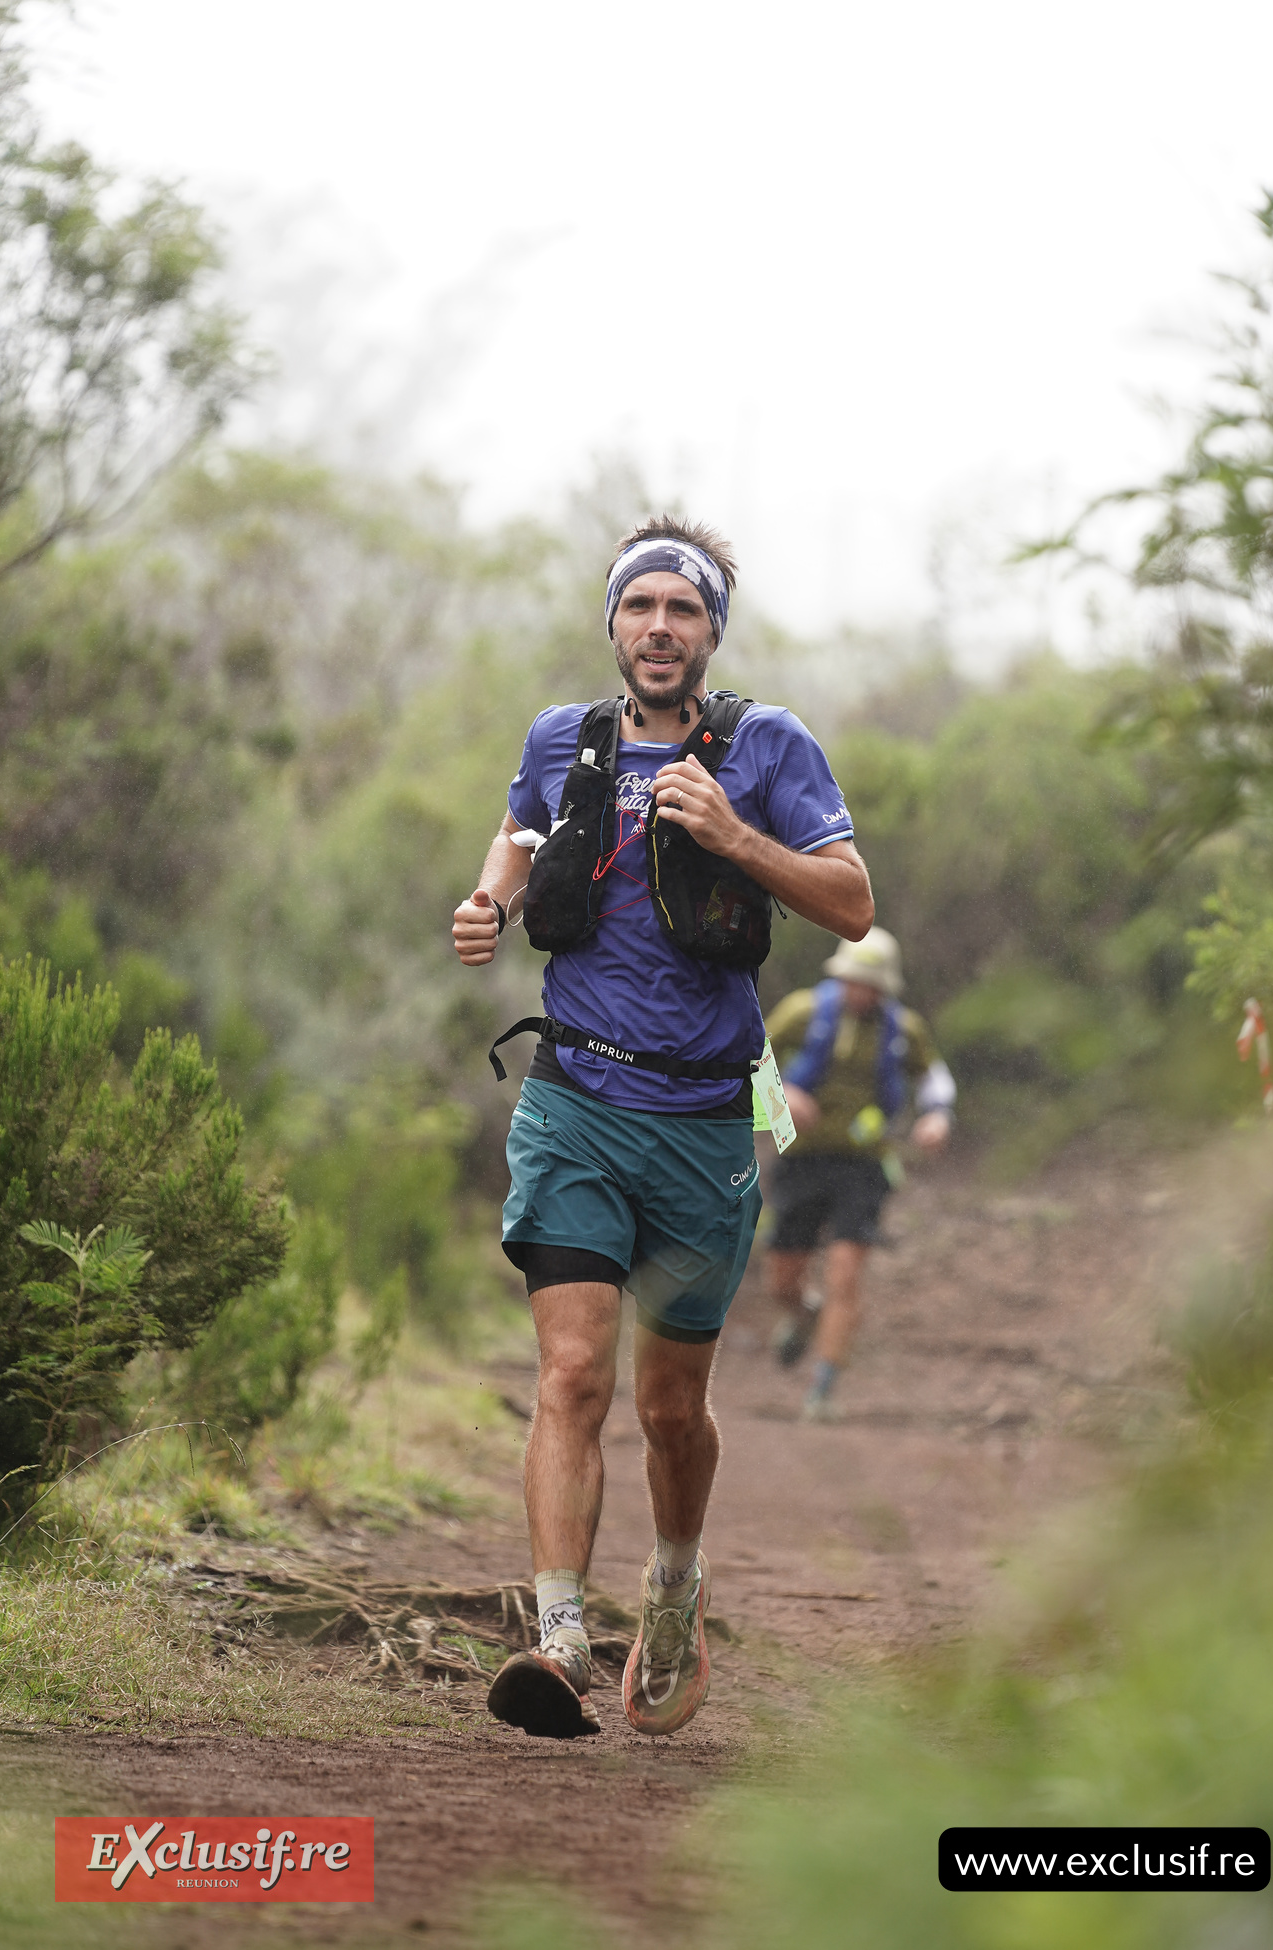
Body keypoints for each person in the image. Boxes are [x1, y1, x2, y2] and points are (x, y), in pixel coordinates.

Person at [451, 516, 874, 1738]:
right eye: (639, 607)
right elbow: (523, 832)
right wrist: (491, 898)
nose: (658, 628)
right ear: (613, 623)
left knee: (669, 1410)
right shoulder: (561, 739)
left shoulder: (770, 747)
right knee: (570, 1375)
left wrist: (736, 835)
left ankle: (675, 1591)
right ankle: (560, 1636)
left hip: (698, 1124)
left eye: (682, 611)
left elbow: (850, 903)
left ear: (711, 631)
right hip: (575, 1100)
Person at [764, 926, 955, 1420]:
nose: (861, 992)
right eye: (854, 981)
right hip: (801, 1159)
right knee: (783, 1278)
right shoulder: (803, 1012)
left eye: (871, 985)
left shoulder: (902, 1030)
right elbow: (747, 1056)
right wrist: (782, 1095)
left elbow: (932, 1074)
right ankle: (801, 1315)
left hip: (863, 1166)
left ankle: (823, 1390)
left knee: (845, 1276)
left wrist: (936, 1115)